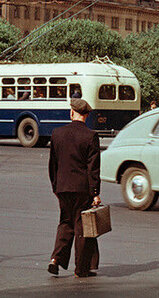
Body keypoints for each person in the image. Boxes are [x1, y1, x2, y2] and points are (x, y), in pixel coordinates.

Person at [47, 98, 102, 279]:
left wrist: (56, 187)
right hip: (82, 189)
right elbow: (92, 168)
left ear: (72, 113)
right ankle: (80, 269)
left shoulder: (57, 133)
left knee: (65, 222)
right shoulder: (91, 136)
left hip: (62, 187)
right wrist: (95, 193)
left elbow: (53, 165)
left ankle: (55, 260)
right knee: (81, 227)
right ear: (86, 115)